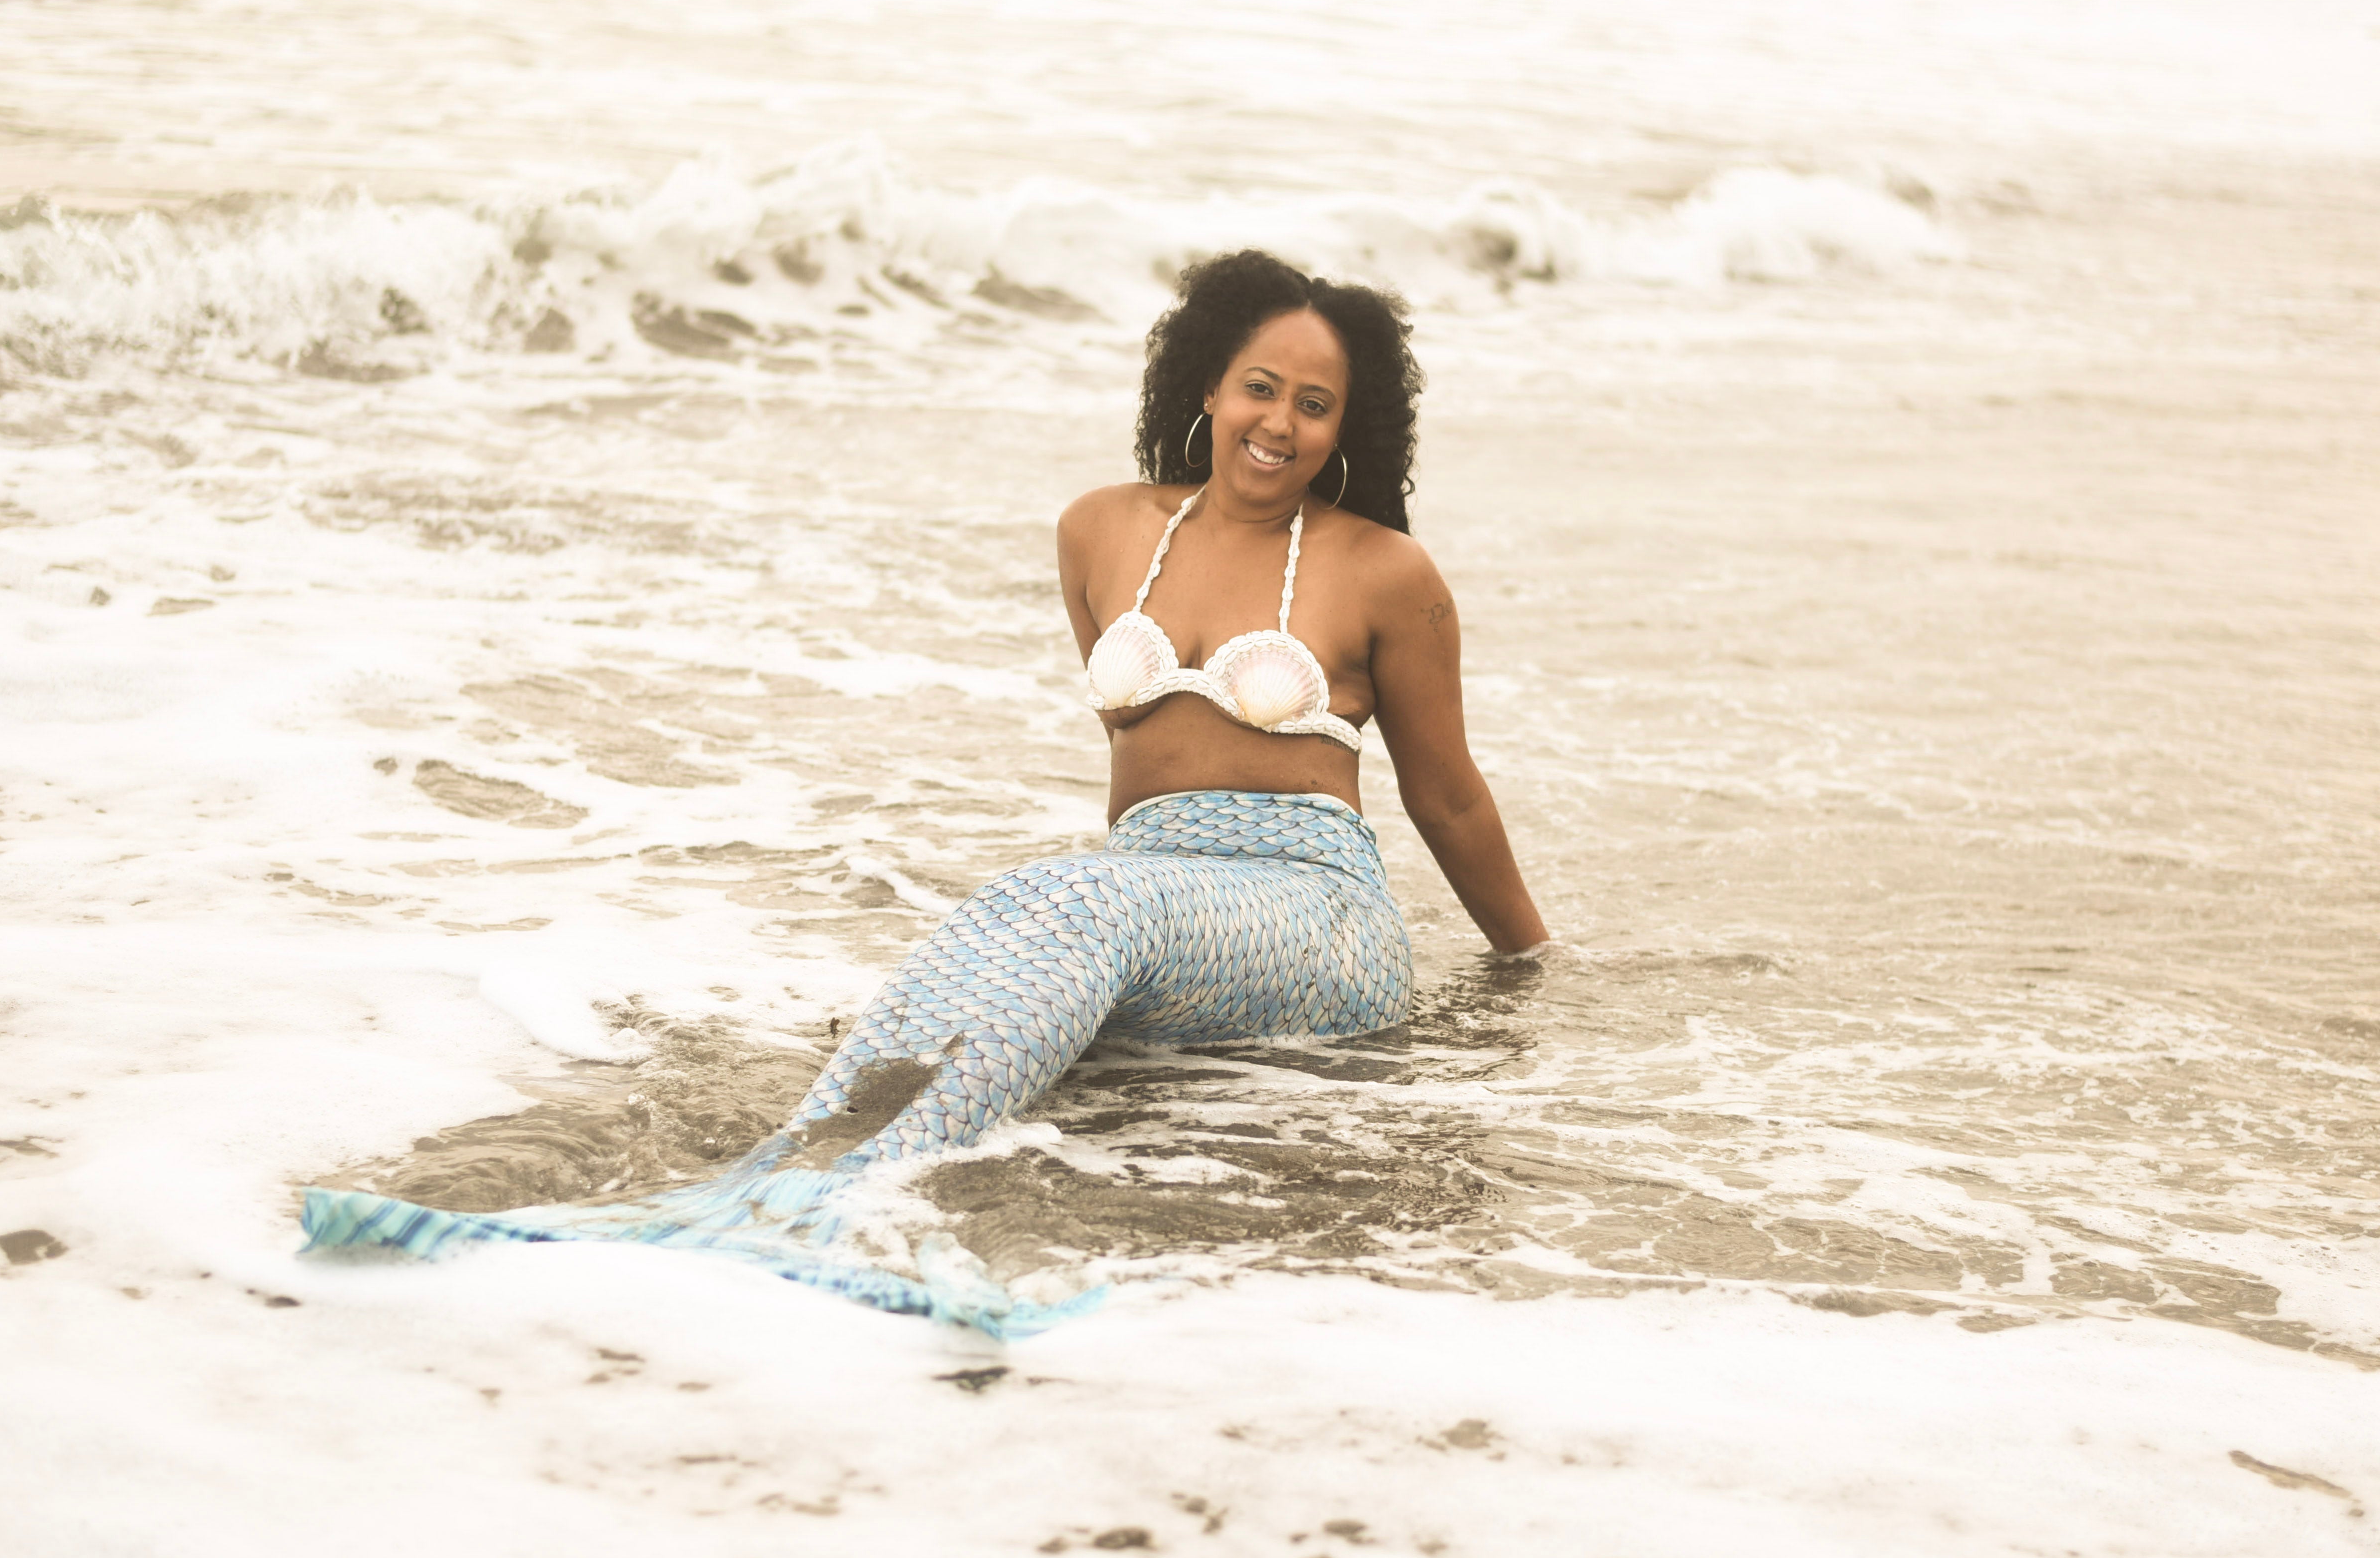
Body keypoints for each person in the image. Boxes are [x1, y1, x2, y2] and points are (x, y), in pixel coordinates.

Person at [300, 250, 1548, 1331]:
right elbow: (1139, 768)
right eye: (1259, 387)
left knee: (1069, 903)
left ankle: (852, 1192)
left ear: (1347, 428)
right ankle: (792, 1171)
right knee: (1027, 924)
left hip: (1312, 907)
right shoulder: (1101, 530)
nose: (1278, 422)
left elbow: (1444, 797)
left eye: (1315, 405)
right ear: (1208, 387)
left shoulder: (1385, 571)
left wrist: (1532, 969)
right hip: (1154, 890)